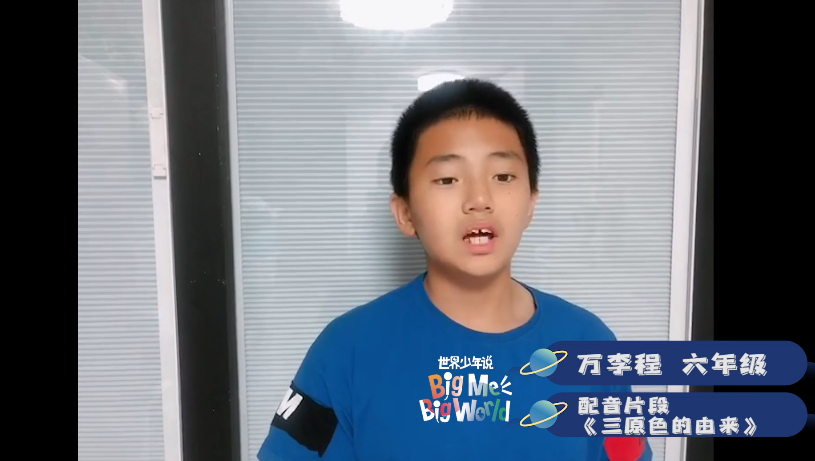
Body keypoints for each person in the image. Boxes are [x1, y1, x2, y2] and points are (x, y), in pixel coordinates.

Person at [258, 79, 653, 461]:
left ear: (531, 202)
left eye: (503, 176)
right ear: (405, 212)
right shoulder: (347, 350)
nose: (479, 199)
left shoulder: (590, 345)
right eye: (447, 179)